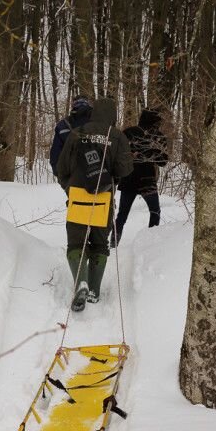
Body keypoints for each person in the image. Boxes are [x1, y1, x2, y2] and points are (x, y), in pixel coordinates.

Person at [57, 97, 133, 311]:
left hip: (77, 198)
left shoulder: (76, 133)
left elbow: (62, 168)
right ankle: (94, 290)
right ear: (112, 115)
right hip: (103, 200)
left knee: (76, 243)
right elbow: (125, 170)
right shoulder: (117, 136)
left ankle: (80, 282)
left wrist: (70, 189)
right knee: (100, 244)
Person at [112, 109, 167, 247]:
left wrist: (139, 154)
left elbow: (118, 155)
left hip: (130, 178)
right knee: (155, 212)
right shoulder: (158, 137)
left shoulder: (128, 132)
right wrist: (151, 153)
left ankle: (113, 244)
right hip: (145, 180)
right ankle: (148, 245)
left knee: (122, 215)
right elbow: (163, 161)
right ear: (155, 122)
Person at [49, 95, 92, 180]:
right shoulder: (99, 124)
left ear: (73, 105)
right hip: (98, 173)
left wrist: (59, 174)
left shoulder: (63, 125)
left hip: (72, 175)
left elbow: (56, 152)